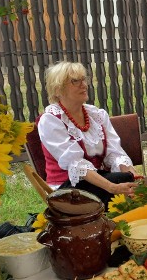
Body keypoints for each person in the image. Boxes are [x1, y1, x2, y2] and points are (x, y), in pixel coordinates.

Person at [37, 61, 138, 206]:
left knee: (128, 181)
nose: (83, 85)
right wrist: (113, 188)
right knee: (121, 182)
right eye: (75, 81)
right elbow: (76, 164)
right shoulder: (51, 120)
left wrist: (132, 174)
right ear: (58, 90)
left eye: (84, 79)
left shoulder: (96, 115)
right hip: (66, 189)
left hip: (98, 182)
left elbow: (114, 153)